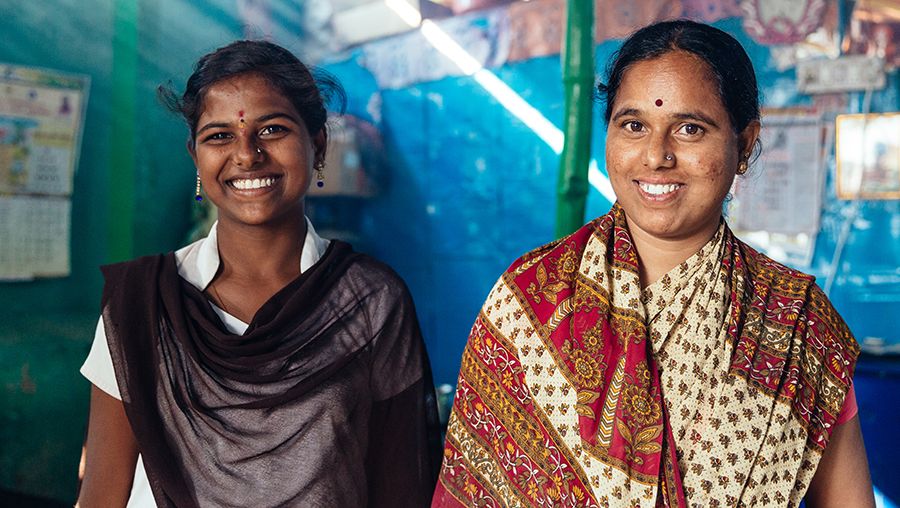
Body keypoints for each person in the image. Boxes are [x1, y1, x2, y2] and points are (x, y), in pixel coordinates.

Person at [432, 20, 874, 507]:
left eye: (689, 129)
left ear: (744, 144)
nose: (657, 155)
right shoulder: (530, 300)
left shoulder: (797, 324)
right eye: (634, 125)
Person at [76, 40, 441, 508]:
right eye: (219, 136)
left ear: (318, 145)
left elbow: (400, 488)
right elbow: (102, 494)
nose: (247, 155)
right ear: (195, 158)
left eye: (272, 129)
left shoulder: (371, 301)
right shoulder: (141, 304)